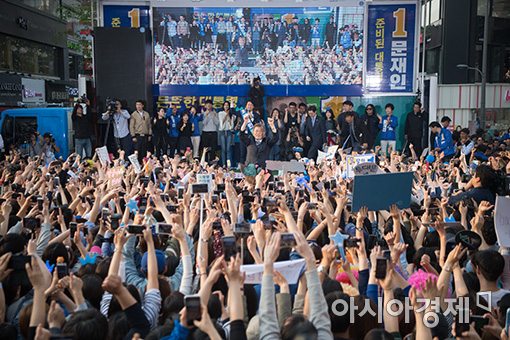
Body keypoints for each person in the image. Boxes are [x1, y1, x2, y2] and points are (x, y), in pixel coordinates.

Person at [218, 101, 235, 166]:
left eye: (227, 105)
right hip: (222, 131)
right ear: (223, 106)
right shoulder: (220, 113)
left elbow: (232, 124)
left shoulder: (231, 114)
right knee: (223, 149)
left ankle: (229, 165)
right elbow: (221, 122)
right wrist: (227, 114)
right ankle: (223, 164)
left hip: (229, 131)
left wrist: (230, 115)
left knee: (228, 148)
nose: (226, 106)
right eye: (225, 105)